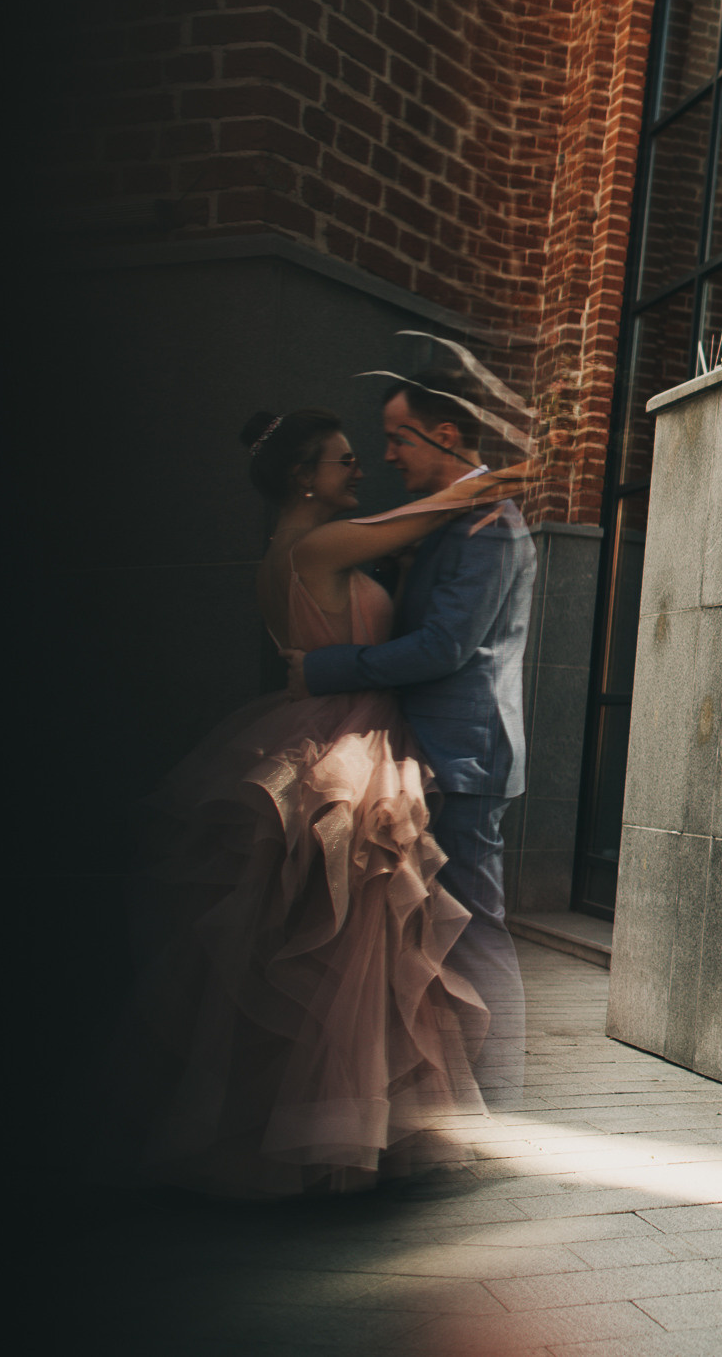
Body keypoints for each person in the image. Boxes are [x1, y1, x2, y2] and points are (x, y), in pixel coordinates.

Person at [113, 408, 522, 1196]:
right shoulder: (323, 544)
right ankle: (350, 1125)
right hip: (351, 735)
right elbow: (434, 512)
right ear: (304, 477)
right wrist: (488, 474)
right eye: (342, 462)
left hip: (310, 725)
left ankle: (293, 1122)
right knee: (358, 935)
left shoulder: (278, 556)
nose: (359, 470)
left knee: (302, 931)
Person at [288, 369, 536, 1107]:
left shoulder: (489, 524)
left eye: (398, 436)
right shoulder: (452, 518)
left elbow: (442, 649)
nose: (387, 454)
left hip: (463, 753)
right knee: (438, 927)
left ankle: (503, 1100)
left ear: (446, 434)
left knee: (475, 928)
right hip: (436, 747)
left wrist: (323, 669)